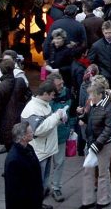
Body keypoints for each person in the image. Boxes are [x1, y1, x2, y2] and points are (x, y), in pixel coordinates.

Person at [21, 80, 66, 198]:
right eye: (52, 95)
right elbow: (39, 130)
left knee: (44, 179)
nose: (53, 97)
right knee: (38, 180)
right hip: (39, 151)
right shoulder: (33, 108)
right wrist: (57, 116)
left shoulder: (43, 105)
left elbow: (48, 124)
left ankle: (41, 198)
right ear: (45, 93)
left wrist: (59, 118)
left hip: (45, 149)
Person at [79, 78, 111, 209]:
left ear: (99, 94)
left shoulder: (109, 108)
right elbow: (89, 117)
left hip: (104, 144)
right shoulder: (93, 103)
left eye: (91, 94)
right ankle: (87, 200)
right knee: (88, 171)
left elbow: (108, 129)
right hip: (92, 141)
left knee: (102, 172)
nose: (89, 97)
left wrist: (97, 144)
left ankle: (103, 199)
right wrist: (82, 116)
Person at [45, 72, 73, 203]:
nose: (62, 86)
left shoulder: (67, 92)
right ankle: (44, 187)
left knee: (59, 162)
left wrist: (70, 126)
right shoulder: (44, 96)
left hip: (61, 133)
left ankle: (56, 187)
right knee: (44, 163)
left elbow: (71, 112)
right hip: (46, 135)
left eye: (62, 83)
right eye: (58, 85)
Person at [0, 58, 31, 153]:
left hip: (6, 120)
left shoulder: (0, 87)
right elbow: (28, 94)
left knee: (11, 146)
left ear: (1, 71)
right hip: (20, 115)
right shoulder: (21, 81)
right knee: (21, 144)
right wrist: (21, 103)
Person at [4, 121, 43, 208]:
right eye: (30, 132)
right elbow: (15, 190)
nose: (33, 133)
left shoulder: (29, 148)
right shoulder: (14, 160)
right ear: (23, 137)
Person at [88, 20, 111, 90]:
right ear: (102, 32)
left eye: (110, 33)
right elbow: (90, 62)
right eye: (106, 33)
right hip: (103, 78)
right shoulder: (96, 46)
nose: (108, 35)